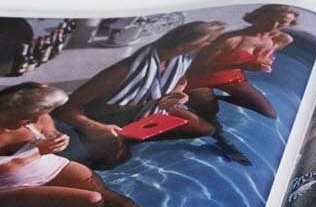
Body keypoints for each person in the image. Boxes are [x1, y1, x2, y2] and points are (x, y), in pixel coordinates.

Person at [61, 20, 247, 164]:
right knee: (114, 161)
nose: (208, 46)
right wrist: (89, 126)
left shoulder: (181, 59)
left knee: (205, 129)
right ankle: (104, 144)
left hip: (149, 111)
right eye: (207, 42)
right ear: (184, 43)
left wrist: (177, 92)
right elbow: (65, 108)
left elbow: (182, 79)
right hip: (105, 120)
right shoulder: (123, 70)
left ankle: (132, 139)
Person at [0, 83, 146, 207]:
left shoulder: (37, 117)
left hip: (43, 165)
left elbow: (49, 130)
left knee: (111, 199)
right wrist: (38, 151)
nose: (34, 120)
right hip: (7, 186)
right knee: (90, 200)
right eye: (27, 117)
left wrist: (58, 138)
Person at [187, 5, 300, 124]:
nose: (274, 26)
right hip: (200, 79)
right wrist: (242, 65)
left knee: (269, 113)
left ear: (290, 24)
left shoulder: (281, 40)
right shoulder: (231, 39)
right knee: (210, 118)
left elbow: (263, 59)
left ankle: (215, 98)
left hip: (233, 78)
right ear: (257, 17)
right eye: (269, 20)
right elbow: (195, 69)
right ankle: (215, 127)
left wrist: (263, 63)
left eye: (282, 22)